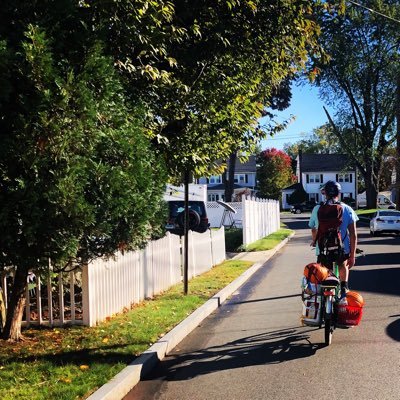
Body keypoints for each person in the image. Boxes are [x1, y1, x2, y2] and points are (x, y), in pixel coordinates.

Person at [309, 181, 359, 298]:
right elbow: (353, 234)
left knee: (324, 272)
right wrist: (352, 255)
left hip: (323, 249)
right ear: (339, 193)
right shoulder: (347, 209)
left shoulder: (317, 209)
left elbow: (313, 229)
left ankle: (325, 296)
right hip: (341, 248)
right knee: (343, 265)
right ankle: (343, 287)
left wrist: (314, 241)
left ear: (325, 193)